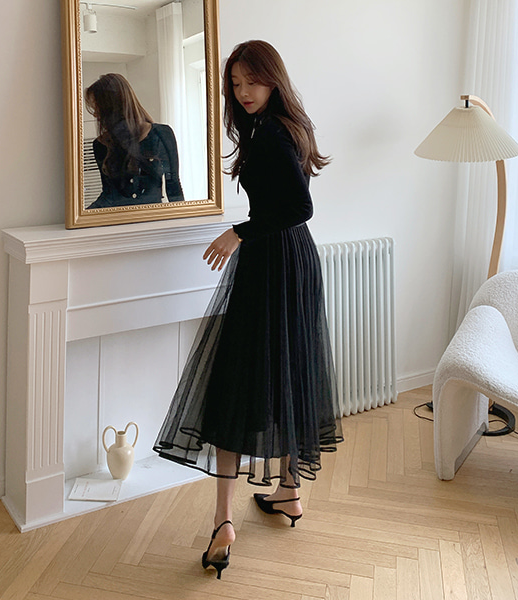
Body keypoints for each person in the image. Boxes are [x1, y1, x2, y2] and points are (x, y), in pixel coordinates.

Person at [153, 40, 343, 579]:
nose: (243, 92)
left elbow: (300, 206)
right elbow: (289, 205)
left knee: (237, 383)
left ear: (272, 78)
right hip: (289, 261)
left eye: (251, 81)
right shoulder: (279, 127)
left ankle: (223, 522)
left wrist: (239, 231)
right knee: (284, 371)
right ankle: (288, 492)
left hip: (274, 262)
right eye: (235, 84)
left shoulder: (274, 132)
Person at [84, 73, 184, 208]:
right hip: (118, 218)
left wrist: (184, 217)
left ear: (111, 107)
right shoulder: (100, 145)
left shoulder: (161, 135)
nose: (96, 114)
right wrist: (83, 216)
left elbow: (174, 188)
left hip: (154, 217)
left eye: (98, 107)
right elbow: (108, 194)